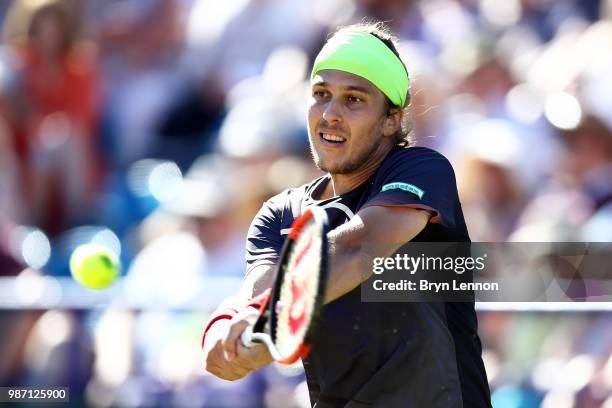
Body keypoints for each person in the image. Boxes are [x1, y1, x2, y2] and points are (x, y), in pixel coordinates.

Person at [202, 22, 492, 407]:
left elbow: (359, 246)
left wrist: (267, 317)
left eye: (354, 99)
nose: (330, 114)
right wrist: (225, 337)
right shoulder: (279, 213)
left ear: (392, 119)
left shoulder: (422, 170)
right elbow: (257, 296)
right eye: (321, 94)